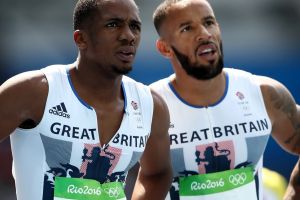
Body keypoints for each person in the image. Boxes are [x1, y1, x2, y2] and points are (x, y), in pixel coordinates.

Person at [0, 0, 172, 199]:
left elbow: (158, 174)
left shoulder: (151, 105)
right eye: (113, 24)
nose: (128, 36)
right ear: (81, 38)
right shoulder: (33, 91)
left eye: (135, 26)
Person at [149, 0, 300, 199]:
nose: (204, 33)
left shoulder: (263, 92)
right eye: (187, 28)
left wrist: (293, 193)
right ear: (165, 48)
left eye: (209, 22)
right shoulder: (146, 106)